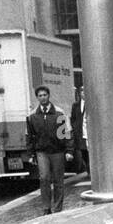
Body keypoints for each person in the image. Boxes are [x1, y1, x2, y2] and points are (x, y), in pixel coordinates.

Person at [25, 85, 72, 214]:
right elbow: (29, 135)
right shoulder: (32, 116)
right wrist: (30, 154)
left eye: (45, 95)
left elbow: (66, 132)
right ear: (37, 98)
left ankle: (57, 207)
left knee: (58, 180)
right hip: (42, 152)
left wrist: (69, 151)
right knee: (44, 178)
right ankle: (46, 207)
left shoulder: (59, 113)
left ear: (48, 96)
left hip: (57, 151)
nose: (43, 98)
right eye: (40, 96)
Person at [70, 86, 88, 175]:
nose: (83, 93)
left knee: (90, 153)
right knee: (84, 153)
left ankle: (91, 172)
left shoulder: (92, 104)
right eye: (82, 91)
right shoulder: (75, 105)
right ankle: (89, 171)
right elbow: (73, 118)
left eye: (85, 91)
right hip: (80, 134)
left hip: (89, 133)